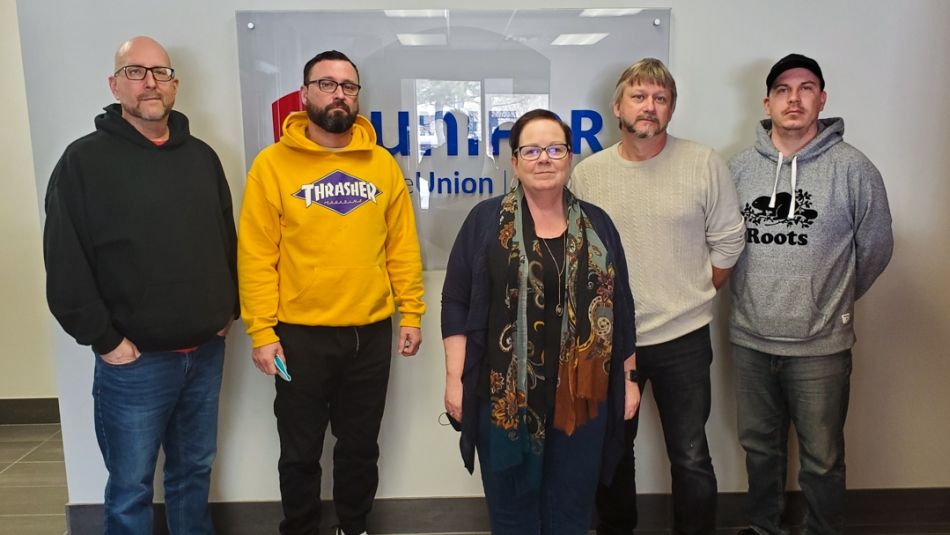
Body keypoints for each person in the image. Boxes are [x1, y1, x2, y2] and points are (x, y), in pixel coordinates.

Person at [43, 36, 238, 534]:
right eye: (135, 72)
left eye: (161, 72)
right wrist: (106, 341)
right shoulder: (83, 162)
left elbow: (225, 240)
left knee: (193, 472)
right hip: (134, 364)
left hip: (204, 355)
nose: (150, 82)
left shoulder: (202, 158)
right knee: (130, 487)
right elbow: (66, 262)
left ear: (174, 84)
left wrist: (226, 312)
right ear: (115, 84)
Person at [238, 50, 425, 535]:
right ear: (304, 95)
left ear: (358, 96)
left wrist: (412, 313)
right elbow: (257, 255)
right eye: (326, 84)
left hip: (370, 335)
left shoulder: (382, 165)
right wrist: (261, 330)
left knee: (360, 447)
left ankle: (353, 525)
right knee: (299, 451)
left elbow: (402, 247)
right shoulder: (272, 166)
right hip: (297, 338)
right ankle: (299, 527)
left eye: (348, 85)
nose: (339, 93)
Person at [441, 109, 639, 535]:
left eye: (555, 149)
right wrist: (454, 378)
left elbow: (621, 308)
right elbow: (455, 302)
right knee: (512, 515)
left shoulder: (599, 224)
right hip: (504, 400)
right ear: (515, 162)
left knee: (571, 511)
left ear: (569, 158)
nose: (544, 158)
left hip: (583, 399)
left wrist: (630, 378)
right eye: (531, 150)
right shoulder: (484, 222)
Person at [570, 58, 746, 535]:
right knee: (611, 451)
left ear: (671, 108)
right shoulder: (588, 175)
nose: (649, 107)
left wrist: (694, 291)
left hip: (683, 336)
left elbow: (729, 239)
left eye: (660, 98)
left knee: (690, 454)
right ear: (617, 106)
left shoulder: (702, 163)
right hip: (609, 342)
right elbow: (577, 254)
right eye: (639, 96)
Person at [729, 53, 893, 535]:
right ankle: (764, 527)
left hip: (820, 347)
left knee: (822, 460)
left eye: (805, 88)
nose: (794, 98)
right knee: (760, 450)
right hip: (751, 341)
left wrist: (831, 301)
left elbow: (877, 248)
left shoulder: (854, 170)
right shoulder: (739, 169)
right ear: (767, 101)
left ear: (822, 98)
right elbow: (719, 244)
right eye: (783, 89)